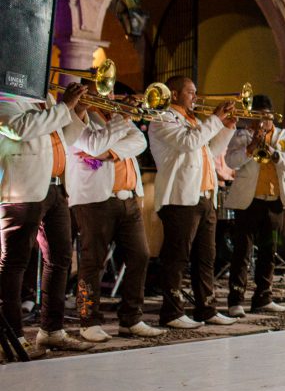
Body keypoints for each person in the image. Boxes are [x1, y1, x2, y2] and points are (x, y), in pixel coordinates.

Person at [1, 82, 92, 357]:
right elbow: (20, 129)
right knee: (14, 263)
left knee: (60, 259)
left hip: (54, 188)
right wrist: (65, 107)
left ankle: (51, 331)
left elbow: (65, 138)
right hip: (23, 189)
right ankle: (12, 337)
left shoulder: (47, 98)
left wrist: (77, 113)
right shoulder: (5, 97)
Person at [66, 91, 165, 341]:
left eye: (109, 91)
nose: (109, 96)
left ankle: (131, 319)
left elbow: (139, 142)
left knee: (140, 255)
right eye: (103, 91)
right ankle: (88, 321)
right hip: (96, 200)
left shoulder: (113, 117)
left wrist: (110, 151)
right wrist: (120, 120)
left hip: (128, 198)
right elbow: (93, 144)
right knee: (92, 262)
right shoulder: (78, 117)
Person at [148, 76, 238, 329]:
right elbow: (189, 143)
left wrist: (227, 128)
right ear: (174, 94)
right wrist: (215, 121)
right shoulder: (163, 118)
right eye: (190, 92)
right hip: (179, 198)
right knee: (176, 258)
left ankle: (206, 308)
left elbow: (208, 149)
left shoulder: (195, 121)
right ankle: (172, 312)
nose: (196, 97)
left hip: (204, 196)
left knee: (206, 257)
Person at [224, 95, 285, 317]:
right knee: (242, 252)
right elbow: (230, 162)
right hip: (248, 202)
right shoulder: (241, 135)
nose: (260, 123)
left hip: (275, 202)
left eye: (264, 118)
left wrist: (274, 153)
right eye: (255, 118)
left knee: (270, 250)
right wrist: (250, 148)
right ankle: (235, 300)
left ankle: (263, 297)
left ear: (271, 116)